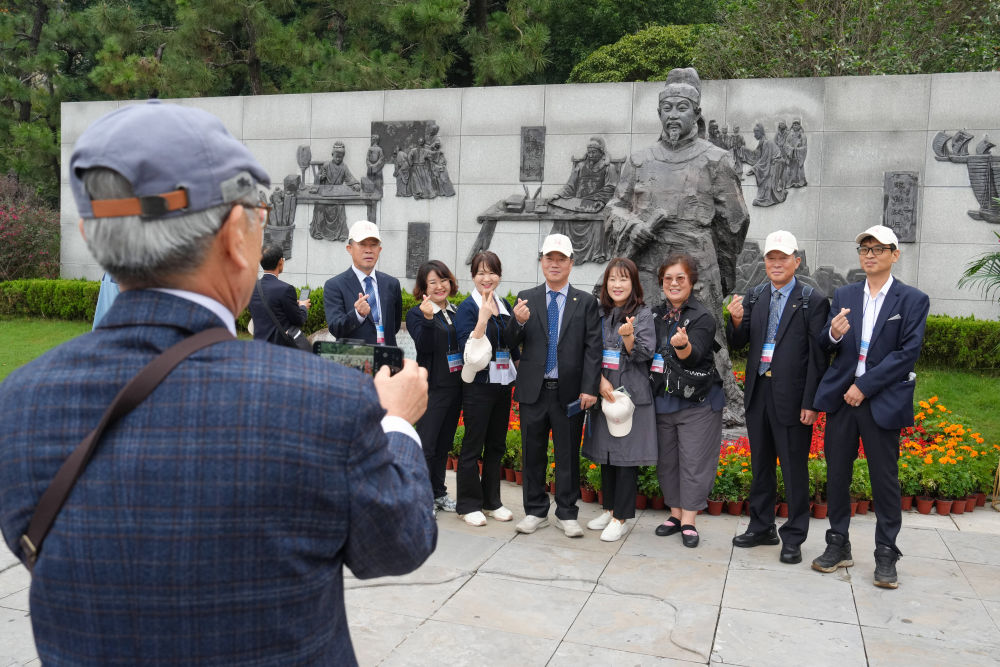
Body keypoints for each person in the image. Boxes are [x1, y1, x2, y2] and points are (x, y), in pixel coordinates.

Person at [0, 101, 436, 665]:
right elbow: (399, 543)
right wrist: (396, 422)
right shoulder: (324, 402)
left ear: (90, 233)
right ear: (234, 235)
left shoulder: (21, 404)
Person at [604, 67, 749, 425]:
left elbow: (734, 222)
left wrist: (719, 270)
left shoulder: (715, 159)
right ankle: (643, 394)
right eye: (667, 108)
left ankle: (723, 400)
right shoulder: (639, 160)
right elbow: (613, 208)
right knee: (644, 329)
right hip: (647, 260)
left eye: (682, 108)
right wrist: (633, 226)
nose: (673, 115)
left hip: (696, 262)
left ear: (697, 113)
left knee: (705, 331)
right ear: (658, 113)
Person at [811, 225, 929, 589]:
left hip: (881, 400)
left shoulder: (912, 300)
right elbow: (826, 343)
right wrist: (834, 333)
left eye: (878, 249)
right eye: (865, 249)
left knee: (884, 479)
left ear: (895, 254)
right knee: (837, 474)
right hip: (842, 400)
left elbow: (906, 354)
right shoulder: (845, 294)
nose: (870, 255)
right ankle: (838, 543)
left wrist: (864, 386)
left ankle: (886, 552)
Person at [725, 231, 830, 564]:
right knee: (761, 466)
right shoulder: (756, 295)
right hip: (759, 392)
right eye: (771, 258)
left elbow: (818, 358)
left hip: (793, 398)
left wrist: (811, 403)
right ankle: (761, 526)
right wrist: (736, 320)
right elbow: (740, 342)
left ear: (796, 261)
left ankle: (794, 537)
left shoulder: (812, 300)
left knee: (794, 469)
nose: (776, 263)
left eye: (783, 258)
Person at [505, 234, 602, 538]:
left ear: (571, 263)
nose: (555, 264)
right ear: (542, 262)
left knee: (567, 455)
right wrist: (517, 322)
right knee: (532, 453)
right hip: (534, 391)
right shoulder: (526, 297)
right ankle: (535, 512)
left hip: (569, 392)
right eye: (550, 258)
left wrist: (590, 388)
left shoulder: (585, 302)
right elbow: (509, 342)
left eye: (561, 259)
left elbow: (593, 349)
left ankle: (567, 513)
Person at [650, 253, 724, 548]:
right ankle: (675, 514)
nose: (674, 283)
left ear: (691, 282)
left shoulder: (702, 317)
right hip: (663, 400)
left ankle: (689, 520)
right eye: (668, 278)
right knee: (667, 461)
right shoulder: (655, 315)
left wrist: (683, 347)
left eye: (680, 278)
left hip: (698, 403)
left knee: (694, 461)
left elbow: (696, 355)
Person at [583, 257, 657, 542]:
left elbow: (645, 352)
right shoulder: (599, 312)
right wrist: (598, 380)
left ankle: (621, 518)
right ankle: (609, 508)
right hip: (604, 390)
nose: (617, 284)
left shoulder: (643, 314)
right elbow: (588, 349)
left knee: (626, 457)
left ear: (633, 283)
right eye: (612, 279)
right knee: (607, 453)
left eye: (623, 279)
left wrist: (628, 338)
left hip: (629, 395)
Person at [452, 251, 519, 526]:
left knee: (496, 445)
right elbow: (465, 348)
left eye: (491, 272)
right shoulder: (467, 308)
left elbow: (512, 345)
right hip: (478, 386)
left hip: (502, 384)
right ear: (473, 277)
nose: (486, 278)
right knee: (473, 444)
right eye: (480, 273)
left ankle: (492, 502)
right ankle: (468, 505)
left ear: (499, 276)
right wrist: (482, 319)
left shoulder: (504, 305)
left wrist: (519, 322)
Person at [406, 260, 463, 516]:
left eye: (443, 280)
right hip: (433, 388)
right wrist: (429, 318)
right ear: (423, 287)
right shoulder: (417, 314)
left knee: (443, 445)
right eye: (433, 282)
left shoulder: (457, 311)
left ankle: (439, 492)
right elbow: (424, 346)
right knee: (427, 445)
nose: (440, 286)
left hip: (455, 387)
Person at [323, 220, 402, 346]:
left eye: (373, 245)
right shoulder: (334, 285)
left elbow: (394, 326)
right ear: (349, 248)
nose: (368, 250)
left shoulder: (392, 284)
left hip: (387, 355)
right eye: (362, 244)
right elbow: (335, 328)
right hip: (354, 356)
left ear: (379, 249)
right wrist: (357, 315)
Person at [549, 135, 618, 263]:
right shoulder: (580, 166)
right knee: (561, 216)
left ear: (601, 152)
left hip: (595, 203)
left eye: (594, 152)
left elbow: (610, 188)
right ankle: (556, 249)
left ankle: (598, 253)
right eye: (589, 152)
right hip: (578, 203)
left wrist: (601, 201)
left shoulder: (609, 167)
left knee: (599, 219)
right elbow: (570, 186)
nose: (591, 155)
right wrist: (558, 195)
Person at [249, 243, 310, 345]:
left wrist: (291, 304)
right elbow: (298, 320)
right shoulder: (286, 289)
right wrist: (303, 307)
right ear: (281, 261)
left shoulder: (251, 288)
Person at [309, 141, 361, 241]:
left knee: (340, 208)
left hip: (337, 193)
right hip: (326, 191)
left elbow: (349, 178)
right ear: (332, 155)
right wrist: (321, 177)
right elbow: (316, 180)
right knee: (319, 206)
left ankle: (341, 233)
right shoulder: (326, 165)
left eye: (340, 157)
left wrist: (355, 184)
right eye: (336, 156)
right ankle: (318, 231)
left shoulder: (344, 167)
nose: (338, 159)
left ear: (343, 157)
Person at [738, 122, 787, 207]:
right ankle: (764, 198)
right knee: (764, 172)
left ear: (760, 132)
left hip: (777, 163)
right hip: (772, 163)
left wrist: (754, 169)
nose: (754, 135)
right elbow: (756, 155)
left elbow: (765, 160)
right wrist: (744, 150)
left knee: (766, 176)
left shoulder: (766, 142)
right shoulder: (762, 142)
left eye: (755, 133)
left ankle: (766, 199)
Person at [785, 119, 808, 188]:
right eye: (794, 124)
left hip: (798, 156)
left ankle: (801, 182)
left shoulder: (803, 136)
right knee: (791, 169)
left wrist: (797, 149)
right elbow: (786, 145)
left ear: (800, 126)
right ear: (792, 126)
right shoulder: (790, 135)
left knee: (799, 169)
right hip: (792, 156)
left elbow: (804, 147)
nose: (795, 126)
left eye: (797, 124)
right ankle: (791, 182)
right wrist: (791, 149)